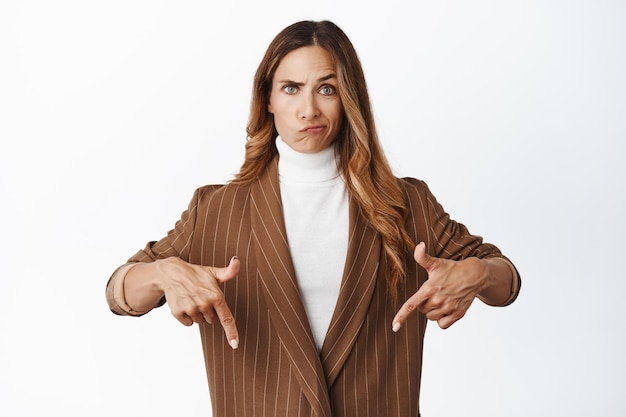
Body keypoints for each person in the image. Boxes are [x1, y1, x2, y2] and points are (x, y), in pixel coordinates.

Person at [106, 20, 520, 417]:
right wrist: (163, 274)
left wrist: (478, 274)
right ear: (267, 99)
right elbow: (119, 292)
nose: (308, 109)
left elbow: (506, 281)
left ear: (349, 97)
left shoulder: (407, 202)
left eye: (327, 88)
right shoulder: (215, 209)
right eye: (291, 88)